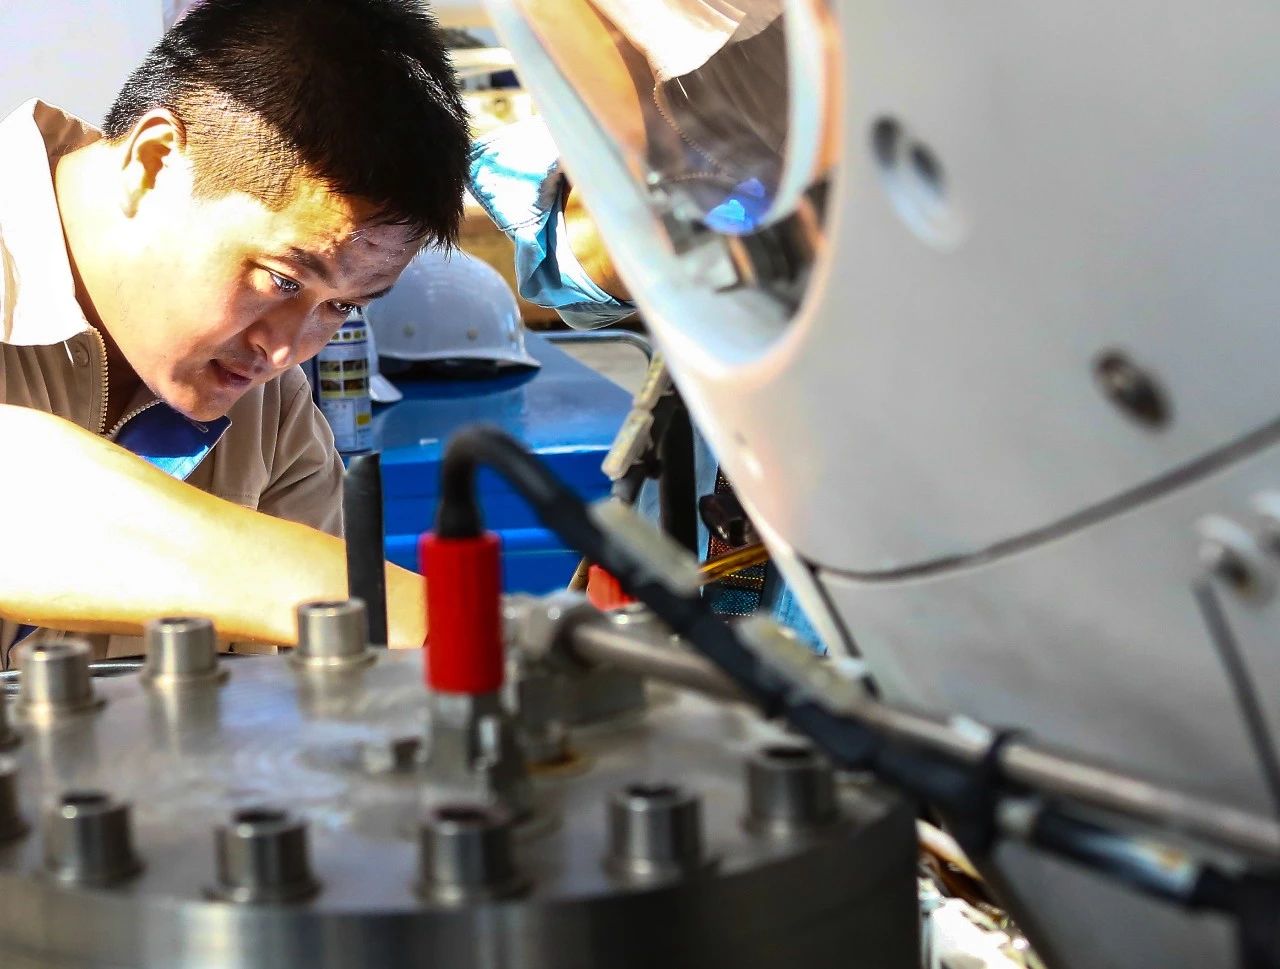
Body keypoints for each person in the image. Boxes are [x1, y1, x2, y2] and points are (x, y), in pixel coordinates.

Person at [0, 0, 471, 663]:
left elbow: (321, 693)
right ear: (155, 163)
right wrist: (427, 619)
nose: (285, 351)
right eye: (282, 280)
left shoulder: (272, 412)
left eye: (342, 307)